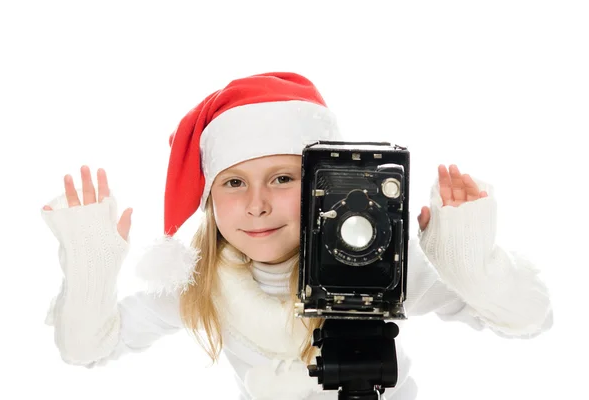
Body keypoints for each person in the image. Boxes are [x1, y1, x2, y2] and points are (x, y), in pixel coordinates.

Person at [40, 72, 553, 400]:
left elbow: (528, 321)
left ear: (320, 186)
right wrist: (89, 261)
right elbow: (86, 349)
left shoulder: (376, 265)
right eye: (234, 183)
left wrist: (467, 260)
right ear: (210, 197)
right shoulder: (204, 286)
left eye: (282, 179)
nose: (257, 203)